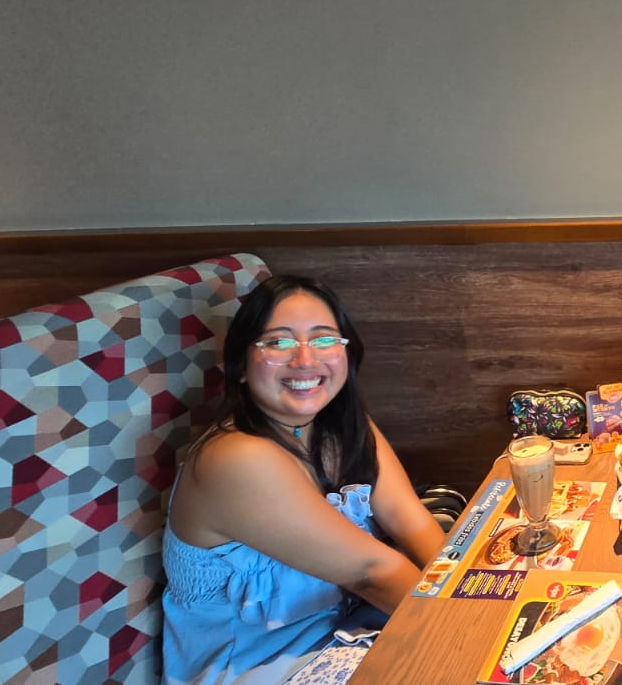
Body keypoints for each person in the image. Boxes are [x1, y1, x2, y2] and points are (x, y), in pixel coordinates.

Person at [162, 275, 446, 683]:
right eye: (278, 342)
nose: (305, 360)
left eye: (324, 339)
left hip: (349, 631)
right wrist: (466, 629)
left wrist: (472, 591)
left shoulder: (341, 426)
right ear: (241, 367)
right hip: (265, 667)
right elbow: (374, 573)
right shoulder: (235, 459)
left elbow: (410, 520)